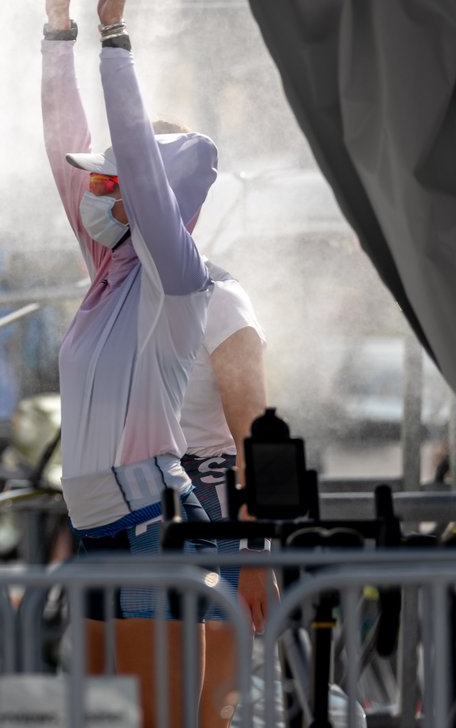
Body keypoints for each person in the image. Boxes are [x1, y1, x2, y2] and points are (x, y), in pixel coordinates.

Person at [41, 0, 218, 727]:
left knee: (158, 720)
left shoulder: (176, 277)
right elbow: (65, 153)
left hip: (151, 525)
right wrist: (57, 32)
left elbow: (143, 177)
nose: (94, 195)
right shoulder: (109, 271)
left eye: (111, 184)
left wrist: (115, 37)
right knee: (116, 719)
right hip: (101, 523)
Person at [178, 255, 278, 727]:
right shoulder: (131, 290)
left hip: (217, 520)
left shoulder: (221, 298)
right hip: (151, 514)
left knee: (210, 712)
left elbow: (258, 439)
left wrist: (255, 553)